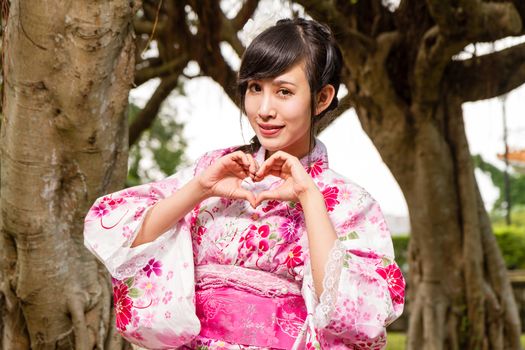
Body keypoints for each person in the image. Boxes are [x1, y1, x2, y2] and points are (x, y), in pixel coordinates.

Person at [84, 18, 405, 349]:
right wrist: (200, 189)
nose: (264, 109)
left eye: (283, 91)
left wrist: (310, 196)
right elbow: (124, 238)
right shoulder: (215, 170)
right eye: (255, 88)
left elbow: (354, 314)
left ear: (322, 98)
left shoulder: (351, 201)